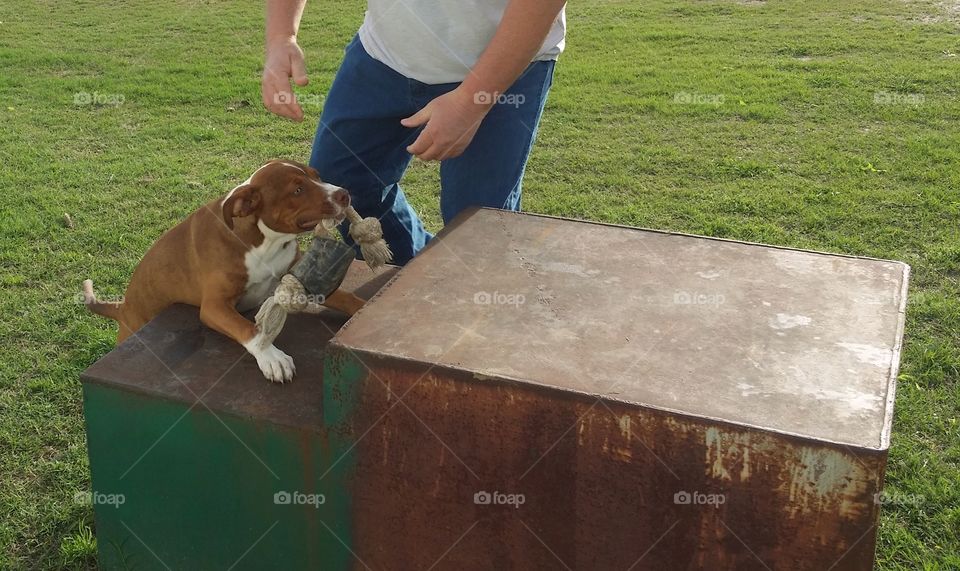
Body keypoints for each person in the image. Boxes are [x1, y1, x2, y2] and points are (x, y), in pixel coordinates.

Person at [261, 0, 566, 264]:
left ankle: (481, 312)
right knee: (342, 185)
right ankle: (411, 277)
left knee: (477, 223)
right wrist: (281, 37)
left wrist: (471, 102)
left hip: (500, 66)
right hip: (383, 57)